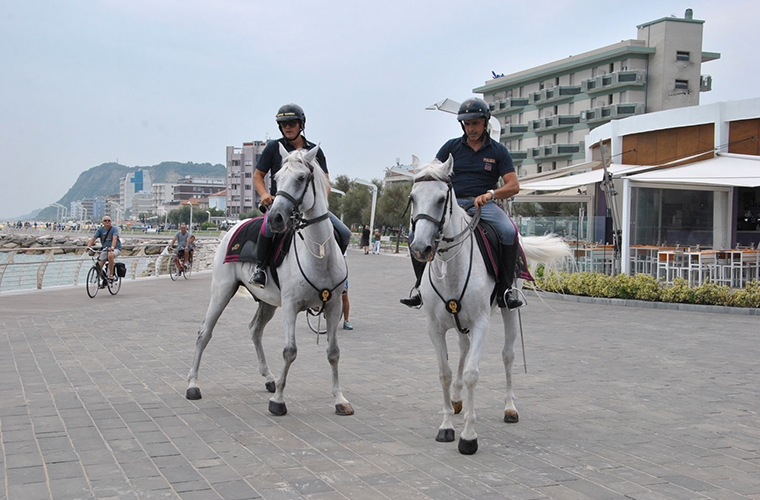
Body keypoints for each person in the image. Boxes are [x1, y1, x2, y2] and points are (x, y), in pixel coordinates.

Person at [400, 97, 523, 310]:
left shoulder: (498, 151)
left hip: (483, 205)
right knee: (414, 235)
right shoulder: (450, 147)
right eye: (467, 124)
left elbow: (513, 185)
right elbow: (434, 175)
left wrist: (491, 194)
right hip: (452, 204)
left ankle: (505, 290)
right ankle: (420, 288)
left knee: (508, 231)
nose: (471, 128)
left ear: (485, 123)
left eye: (475, 123)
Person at [250, 103, 351, 287]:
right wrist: (264, 194)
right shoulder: (274, 147)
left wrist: (318, 202)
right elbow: (258, 176)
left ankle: (336, 276)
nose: (287, 127)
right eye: (283, 124)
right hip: (281, 206)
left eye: (292, 123)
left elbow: (325, 182)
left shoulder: (315, 152)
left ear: (301, 124)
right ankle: (260, 269)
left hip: (309, 207)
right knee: (267, 230)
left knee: (344, 233)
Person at [86, 216, 121, 288]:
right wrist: (88, 246)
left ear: (111, 222)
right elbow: (93, 238)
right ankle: (104, 280)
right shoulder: (100, 230)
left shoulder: (114, 229)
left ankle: (111, 275)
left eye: (109, 220)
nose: (107, 222)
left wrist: (112, 247)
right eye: (105, 221)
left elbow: (115, 238)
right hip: (105, 249)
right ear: (102, 222)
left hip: (115, 249)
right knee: (98, 266)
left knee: (110, 255)